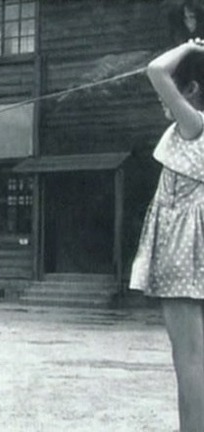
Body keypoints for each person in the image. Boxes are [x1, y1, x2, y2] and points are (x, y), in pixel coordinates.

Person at [129, 39, 204, 431]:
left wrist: (189, 46)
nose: (162, 97)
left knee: (189, 358)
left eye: (173, 89)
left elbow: (155, 70)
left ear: (190, 90)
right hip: (189, 245)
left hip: (183, 247)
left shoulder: (194, 124)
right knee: (190, 355)